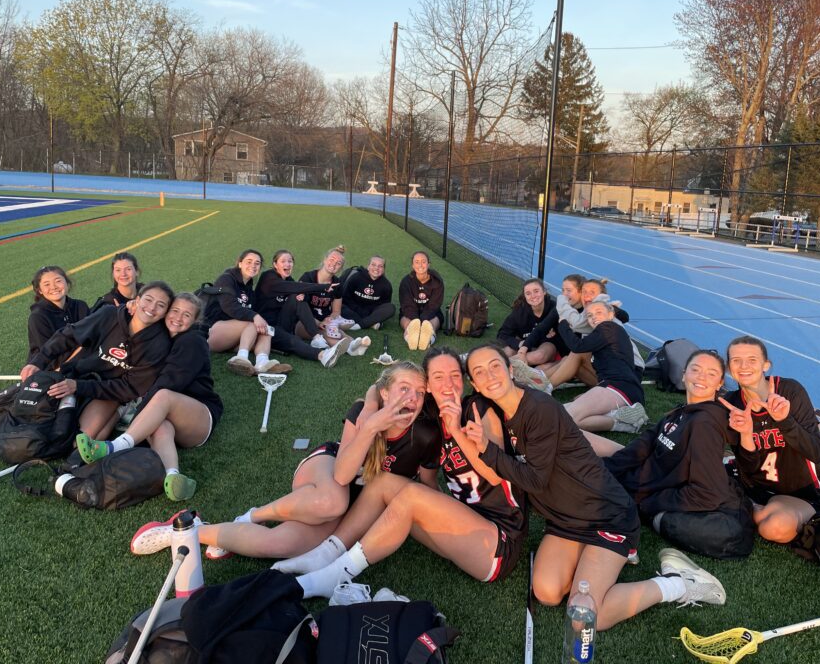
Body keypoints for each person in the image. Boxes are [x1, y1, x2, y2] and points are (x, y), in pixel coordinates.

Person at [463, 344, 726, 630]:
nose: (490, 376)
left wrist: (488, 450)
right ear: (474, 383)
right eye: (479, 372)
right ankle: (601, 561)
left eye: (495, 366)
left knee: (583, 618)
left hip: (606, 515)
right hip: (565, 521)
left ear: (510, 369)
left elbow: (534, 480)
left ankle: (677, 584)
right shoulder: (499, 414)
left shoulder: (538, 408)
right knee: (547, 593)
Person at [277, 347, 528, 597]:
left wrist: (458, 430)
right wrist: (370, 405)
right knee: (384, 481)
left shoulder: (478, 409)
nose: (448, 384)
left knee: (410, 497)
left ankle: (336, 574)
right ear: (428, 386)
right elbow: (382, 384)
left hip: (498, 540)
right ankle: (325, 554)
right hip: (466, 521)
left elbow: (496, 475)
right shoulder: (429, 410)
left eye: (455, 375)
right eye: (438, 377)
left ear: (463, 380)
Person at [129, 361, 441, 560]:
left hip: (356, 505)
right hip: (328, 473)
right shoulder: (364, 414)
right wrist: (371, 424)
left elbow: (427, 486)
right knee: (332, 501)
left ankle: (187, 530)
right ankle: (254, 515)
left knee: (278, 547)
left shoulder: (425, 434)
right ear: (385, 394)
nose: (411, 399)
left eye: (419, 392)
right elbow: (344, 474)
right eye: (404, 389)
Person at [598, 350, 756, 559]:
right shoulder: (681, 412)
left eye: (711, 374)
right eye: (696, 370)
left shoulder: (704, 424)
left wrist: (646, 503)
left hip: (721, 522)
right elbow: (641, 447)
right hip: (676, 489)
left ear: (719, 384)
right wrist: (601, 469)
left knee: (653, 517)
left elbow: (708, 494)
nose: (701, 377)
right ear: (684, 374)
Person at [74, 292, 223, 501]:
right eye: (175, 311)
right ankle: (174, 478)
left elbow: (170, 383)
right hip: (170, 417)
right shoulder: (160, 335)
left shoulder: (192, 341)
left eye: (187, 315)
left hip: (199, 417)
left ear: (194, 321)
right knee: (159, 425)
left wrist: (137, 415)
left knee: (163, 396)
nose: (178, 318)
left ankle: (115, 446)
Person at [20, 281, 175, 439]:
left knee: (82, 440)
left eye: (160, 305)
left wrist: (78, 387)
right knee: (38, 422)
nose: (151, 308)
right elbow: (70, 335)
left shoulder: (160, 344)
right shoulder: (109, 314)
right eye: (148, 300)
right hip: (76, 376)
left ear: (165, 313)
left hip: (107, 392)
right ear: (137, 299)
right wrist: (38, 361)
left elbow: (129, 388)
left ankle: (120, 412)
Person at [721, 335, 820, 544]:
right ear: (728, 368)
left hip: (800, 495)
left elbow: (817, 452)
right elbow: (749, 468)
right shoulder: (732, 404)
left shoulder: (790, 391)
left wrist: (785, 421)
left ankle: (746, 510)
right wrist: (745, 432)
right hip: (754, 489)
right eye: (736, 360)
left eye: (752, 360)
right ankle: (753, 509)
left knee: (774, 528)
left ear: (766, 365)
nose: (744, 366)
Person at [557, 300, 648, 433]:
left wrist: (563, 324)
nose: (594, 317)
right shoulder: (604, 335)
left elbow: (577, 346)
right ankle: (625, 422)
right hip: (620, 389)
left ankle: (627, 417)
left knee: (564, 418)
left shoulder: (608, 327)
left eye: (599, 312)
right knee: (561, 414)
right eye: (589, 315)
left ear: (611, 315)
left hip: (619, 387)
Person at [255, 249, 356, 367]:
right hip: (266, 327)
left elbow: (296, 293)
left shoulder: (289, 279)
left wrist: (303, 297)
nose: (287, 264)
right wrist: (322, 287)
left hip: (283, 323)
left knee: (297, 298)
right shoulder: (268, 277)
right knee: (293, 340)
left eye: (290, 261)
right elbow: (292, 287)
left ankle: (317, 338)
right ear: (275, 264)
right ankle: (322, 355)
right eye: (283, 261)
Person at [204, 249, 288, 376]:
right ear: (240, 263)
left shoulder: (249, 289)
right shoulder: (226, 279)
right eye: (249, 262)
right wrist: (255, 316)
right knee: (253, 323)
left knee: (266, 328)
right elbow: (229, 307)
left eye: (257, 263)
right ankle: (241, 359)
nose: (253, 266)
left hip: (232, 336)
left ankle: (262, 363)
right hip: (211, 332)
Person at [26, 265, 89, 369]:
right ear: (40, 290)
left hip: (82, 364)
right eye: (47, 284)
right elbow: (48, 357)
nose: (53, 287)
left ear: (67, 283)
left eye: (58, 281)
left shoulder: (80, 306)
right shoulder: (38, 317)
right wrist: (82, 350)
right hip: (51, 370)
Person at [497, 278, 560, 367]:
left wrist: (556, 333)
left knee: (539, 356)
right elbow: (502, 334)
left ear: (544, 291)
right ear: (525, 296)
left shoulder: (555, 308)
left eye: (536, 291)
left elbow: (565, 333)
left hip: (546, 346)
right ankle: (496, 362)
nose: (533, 296)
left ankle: (501, 365)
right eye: (528, 293)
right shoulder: (519, 312)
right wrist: (519, 343)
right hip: (523, 344)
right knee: (508, 352)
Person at [299, 246, 350, 341]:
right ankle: (348, 344)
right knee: (330, 332)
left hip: (326, 321)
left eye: (338, 263)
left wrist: (329, 319)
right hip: (305, 321)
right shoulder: (308, 278)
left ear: (341, 268)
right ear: (325, 260)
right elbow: (299, 305)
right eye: (331, 259)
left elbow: (336, 311)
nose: (334, 264)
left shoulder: (337, 283)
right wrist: (319, 323)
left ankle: (353, 343)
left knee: (332, 329)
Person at [399, 251, 445, 351]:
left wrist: (423, 320)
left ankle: (428, 338)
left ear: (428, 264)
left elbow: (434, 305)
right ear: (413, 265)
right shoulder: (406, 281)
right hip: (410, 313)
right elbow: (407, 305)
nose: (420, 265)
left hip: (431, 313)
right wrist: (416, 320)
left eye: (423, 261)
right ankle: (410, 337)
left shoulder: (437, 281)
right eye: (417, 262)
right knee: (408, 322)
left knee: (431, 323)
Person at [340, 255, 396, 331]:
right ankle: (371, 323)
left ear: (383, 269)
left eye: (380, 266)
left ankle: (359, 325)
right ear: (368, 266)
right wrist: (360, 311)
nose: (376, 268)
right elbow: (346, 298)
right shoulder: (356, 277)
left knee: (391, 308)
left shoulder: (386, 285)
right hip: (353, 309)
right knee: (340, 307)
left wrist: (370, 313)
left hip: (371, 312)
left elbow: (384, 305)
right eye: (373, 264)